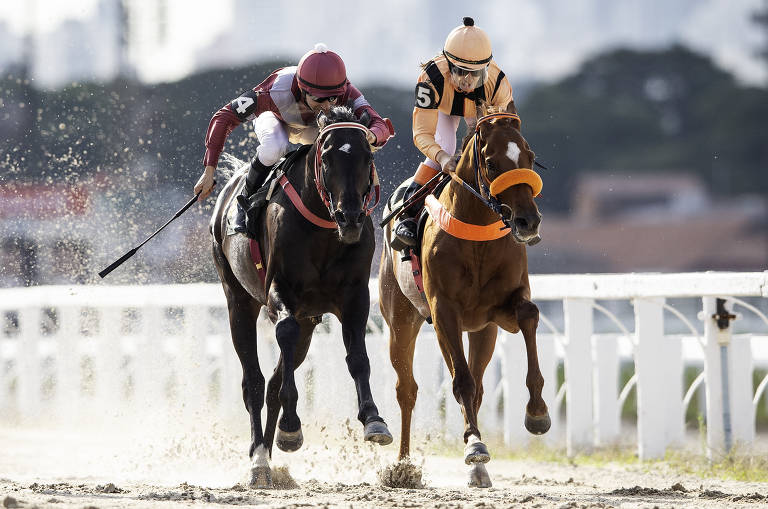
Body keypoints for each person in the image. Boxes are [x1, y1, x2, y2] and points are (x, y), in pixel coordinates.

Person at [194, 43, 392, 235]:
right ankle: (244, 202)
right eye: (319, 99)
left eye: (333, 98)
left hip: (315, 127)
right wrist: (209, 170)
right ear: (302, 88)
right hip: (276, 119)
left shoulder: (347, 91)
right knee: (274, 146)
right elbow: (223, 117)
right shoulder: (274, 91)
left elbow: (379, 123)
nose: (327, 106)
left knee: (342, 147)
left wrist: (372, 135)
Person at [393, 17, 518, 247]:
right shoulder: (431, 78)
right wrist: (443, 158)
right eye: (461, 72)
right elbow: (422, 133)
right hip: (442, 108)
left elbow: (504, 136)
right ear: (448, 65)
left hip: (480, 111)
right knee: (447, 146)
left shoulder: (498, 84)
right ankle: (408, 213)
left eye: (476, 73)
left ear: (487, 68)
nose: (468, 81)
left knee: (487, 150)